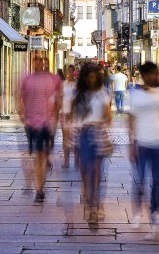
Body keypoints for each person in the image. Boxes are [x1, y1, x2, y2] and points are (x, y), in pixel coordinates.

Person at [128, 62, 159, 230]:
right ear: (144, 75)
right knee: (139, 180)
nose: (155, 76)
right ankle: (137, 214)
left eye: (156, 73)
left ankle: (154, 213)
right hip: (142, 143)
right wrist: (132, 143)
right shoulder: (135, 95)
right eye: (152, 74)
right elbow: (131, 119)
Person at [17, 52, 63, 203]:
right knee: (39, 156)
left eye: (42, 60)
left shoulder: (54, 79)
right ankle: (39, 188)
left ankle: (39, 188)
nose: (39, 62)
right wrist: (22, 115)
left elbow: (59, 100)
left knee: (41, 156)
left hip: (47, 123)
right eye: (36, 60)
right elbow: (19, 98)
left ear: (46, 62)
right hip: (32, 123)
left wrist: (55, 115)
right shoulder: (27, 80)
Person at [71, 62, 112, 227]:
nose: (91, 80)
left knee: (96, 170)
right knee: (84, 168)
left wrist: (103, 123)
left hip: (97, 132)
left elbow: (108, 117)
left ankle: (94, 205)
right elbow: (74, 115)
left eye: (94, 77)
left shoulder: (103, 93)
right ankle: (88, 194)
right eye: (88, 77)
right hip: (82, 133)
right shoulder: (78, 93)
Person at [60, 64, 77, 169]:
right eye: (68, 71)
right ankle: (66, 161)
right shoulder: (63, 84)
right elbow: (60, 97)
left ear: (73, 72)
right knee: (65, 137)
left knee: (74, 137)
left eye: (71, 71)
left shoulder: (76, 85)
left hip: (74, 115)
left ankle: (76, 159)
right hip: (64, 113)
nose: (69, 73)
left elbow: (77, 100)